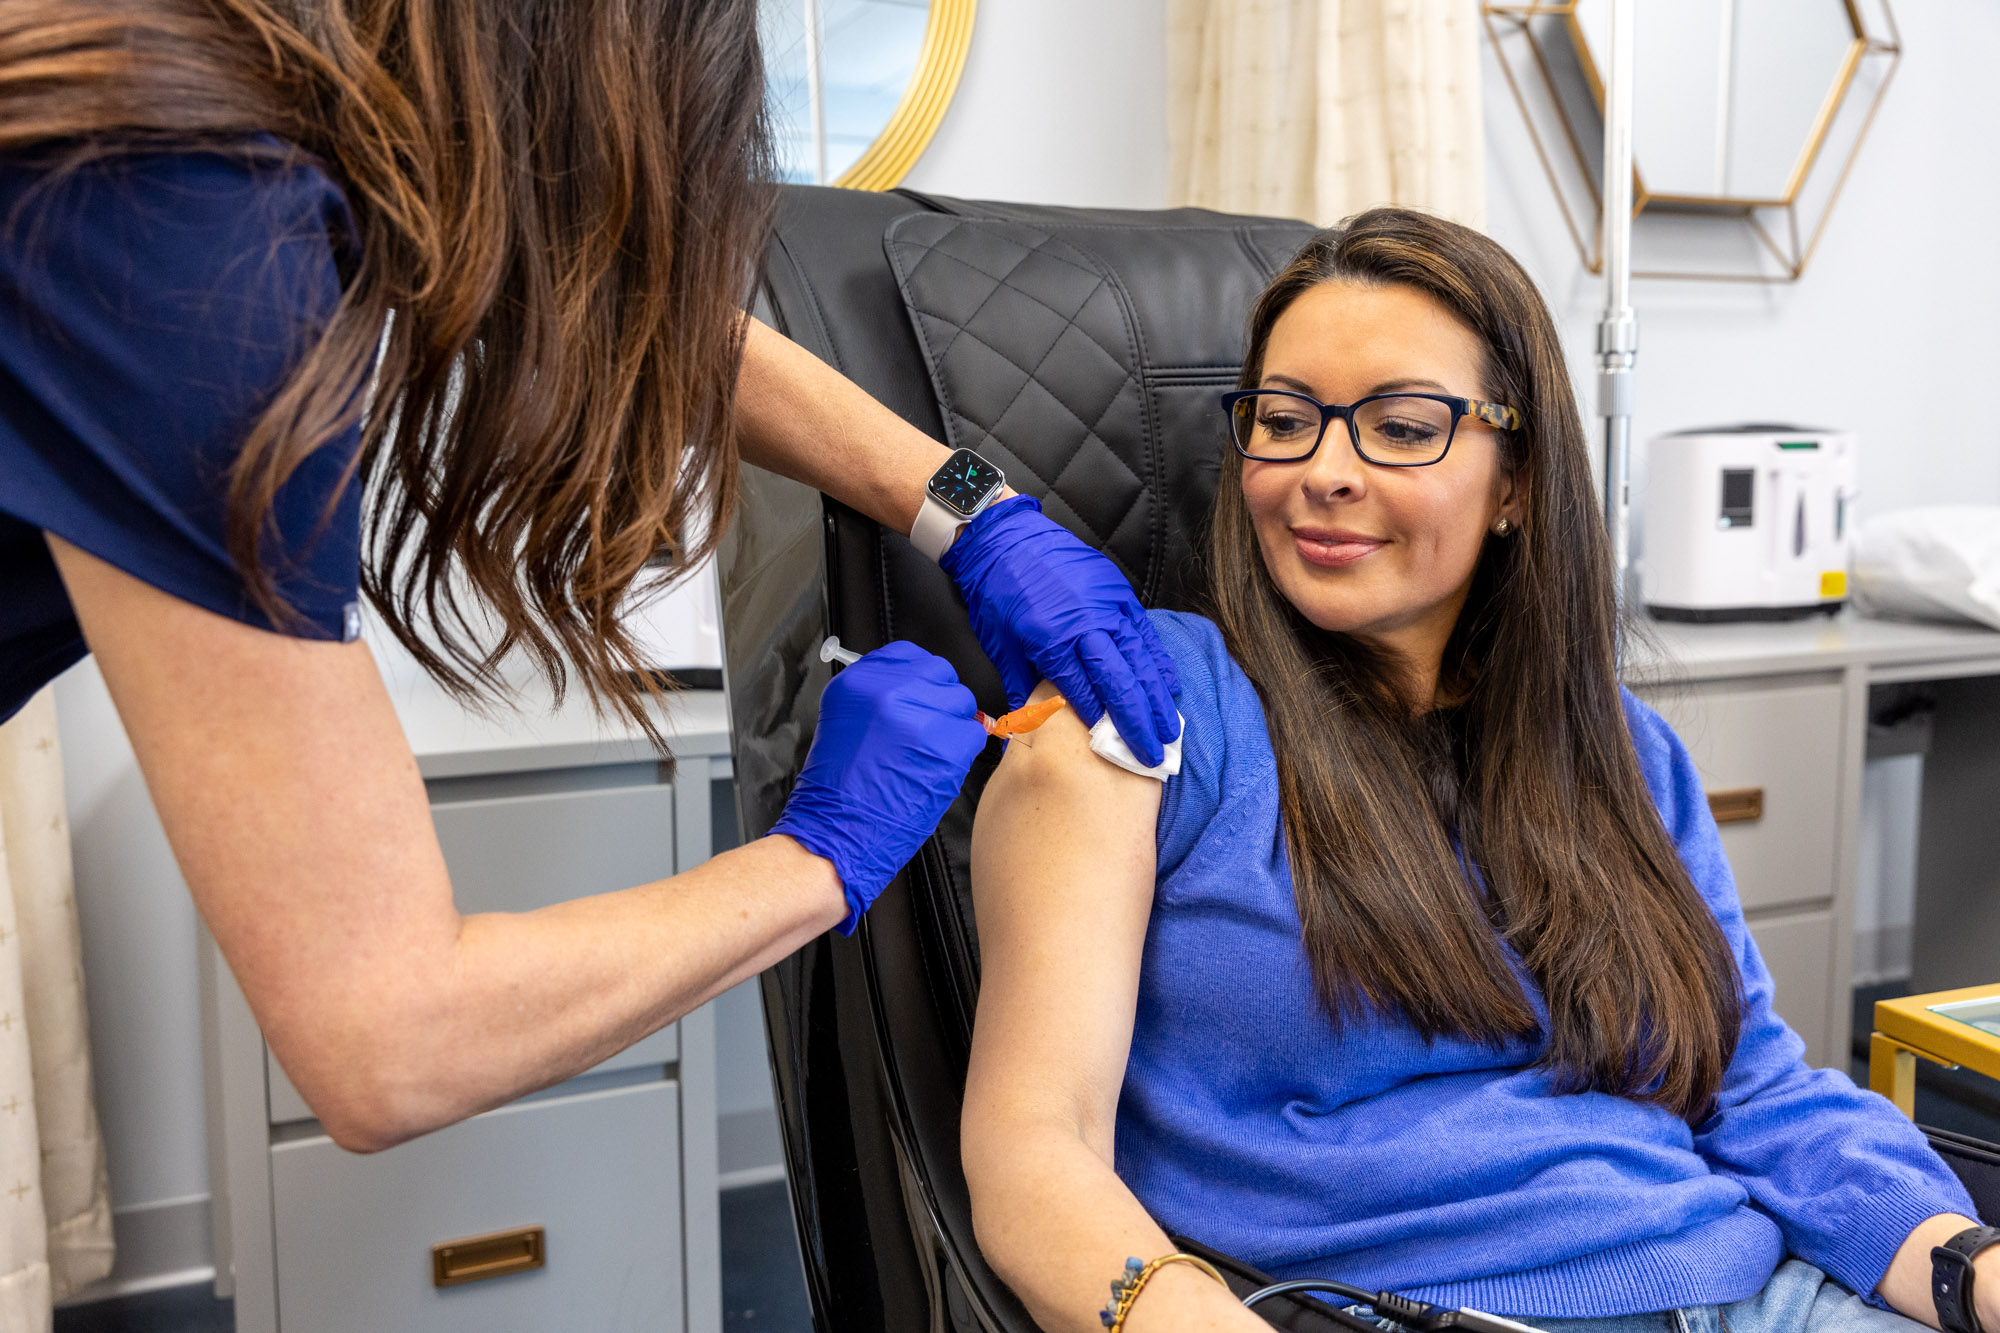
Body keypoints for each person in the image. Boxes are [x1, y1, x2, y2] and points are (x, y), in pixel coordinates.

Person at [0, 0, 1181, 1154]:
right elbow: (391, 1041)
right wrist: (819, 855)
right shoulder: (183, 208)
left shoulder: (254, 98)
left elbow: (613, 299)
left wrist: (973, 510)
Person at [962, 210, 1992, 1333]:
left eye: (1399, 427)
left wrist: (1965, 1270)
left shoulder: (1621, 748)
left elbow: (1749, 1087)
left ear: (1514, 482)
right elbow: (1034, 1156)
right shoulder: (1145, 713)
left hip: (1753, 1286)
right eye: (1283, 420)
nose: (1323, 472)